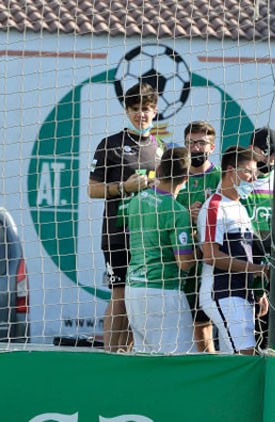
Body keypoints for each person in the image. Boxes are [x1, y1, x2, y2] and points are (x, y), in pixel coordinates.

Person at [88, 82, 163, 352]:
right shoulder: (110, 144)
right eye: (135, 109)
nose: (140, 115)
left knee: (139, 297)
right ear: (126, 110)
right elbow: (92, 189)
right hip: (118, 233)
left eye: (146, 109)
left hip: (150, 236)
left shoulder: (160, 148)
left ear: (155, 111)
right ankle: (111, 353)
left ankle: (126, 353)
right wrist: (124, 188)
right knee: (119, 294)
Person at [123, 148, 195, 353]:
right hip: (163, 292)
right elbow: (185, 262)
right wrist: (200, 248)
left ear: (160, 169)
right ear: (187, 177)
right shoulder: (177, 211)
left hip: (134, 289)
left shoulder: (137, 200)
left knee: (146, 361)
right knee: (177, 362)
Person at [199, 146, 270, 355]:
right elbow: (211, 255)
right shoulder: (214, 205)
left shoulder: (240, 206)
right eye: (249, 171)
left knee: (234, 360)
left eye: (256, 174)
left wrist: (258, 291)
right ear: (230, 170)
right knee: (247, 355)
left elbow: (244, 252)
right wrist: (255, 269)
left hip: (242, 292)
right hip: (222, 291)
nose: (253, 178)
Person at [243, 127, 275, 350]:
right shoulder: (240, 180)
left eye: (273, 153)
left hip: (273, 267)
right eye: (263, 152)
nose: (269, 158)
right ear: (250, 150)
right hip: (245, 263)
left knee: (270, 335)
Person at [176, 121, 221, 353]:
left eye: (201, 143)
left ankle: (210, 371)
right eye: (190, 143)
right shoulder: (175, 176)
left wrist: (204, 215)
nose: (195, 148)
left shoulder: (220, 178)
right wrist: (185, 215)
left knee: (205, 324)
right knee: (179, 325)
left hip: (210, 261)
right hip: (177, 260)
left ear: (211, 147)